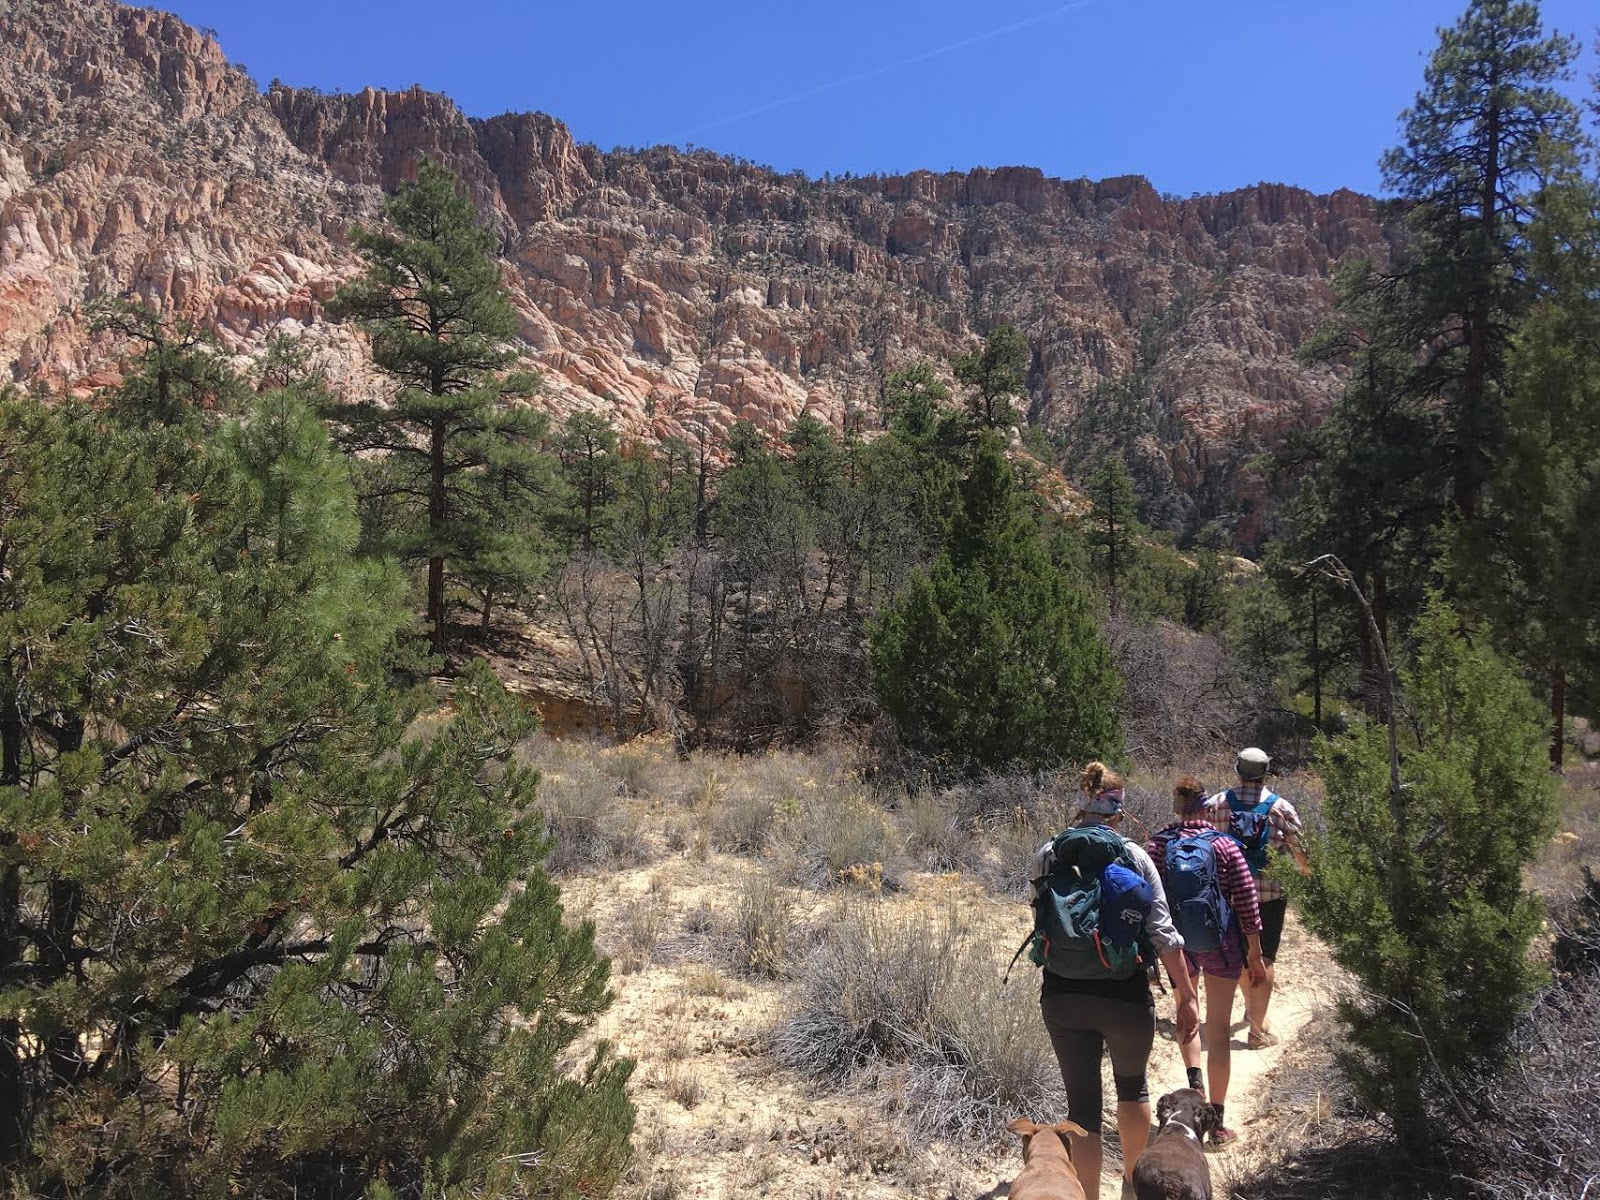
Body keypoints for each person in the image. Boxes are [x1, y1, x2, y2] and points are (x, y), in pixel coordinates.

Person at [1033, 762, 1200, 1200]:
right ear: (1118, 812)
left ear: (1080, 803)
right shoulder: (1135, 856)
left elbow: (1040, 918)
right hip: (1125, 995)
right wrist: (1185, 996)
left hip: (1063, 993)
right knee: (1132, 1086)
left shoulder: (1049, 852)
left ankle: (1087, 1195)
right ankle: (1131, 1187)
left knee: (1082, 1106)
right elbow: (1163, 934)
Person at [1147, 774, 1267, 1145]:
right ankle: (1217, 1122)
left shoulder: (1156, 846)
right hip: (1221, 945)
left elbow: (1146, 901)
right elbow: (1247, 902)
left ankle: (1193, 1083)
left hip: (1175, 947)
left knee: (1188, 1011)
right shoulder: (1226, 847)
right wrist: (1256, 954)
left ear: (1176, 807)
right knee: (1218, 1028)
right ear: (1206, 807)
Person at [1204, 747, 1311, 1049]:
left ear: (1237, 769)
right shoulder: (1281, 808)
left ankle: (1252, 1010)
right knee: (1265, 957)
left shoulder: (1217, 804)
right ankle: (1257, 1032)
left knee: (1239, 956)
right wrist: (1305, 871)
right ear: (1266, 772)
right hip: (1269, 895)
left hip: (1229, 895)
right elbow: (1299, 849)